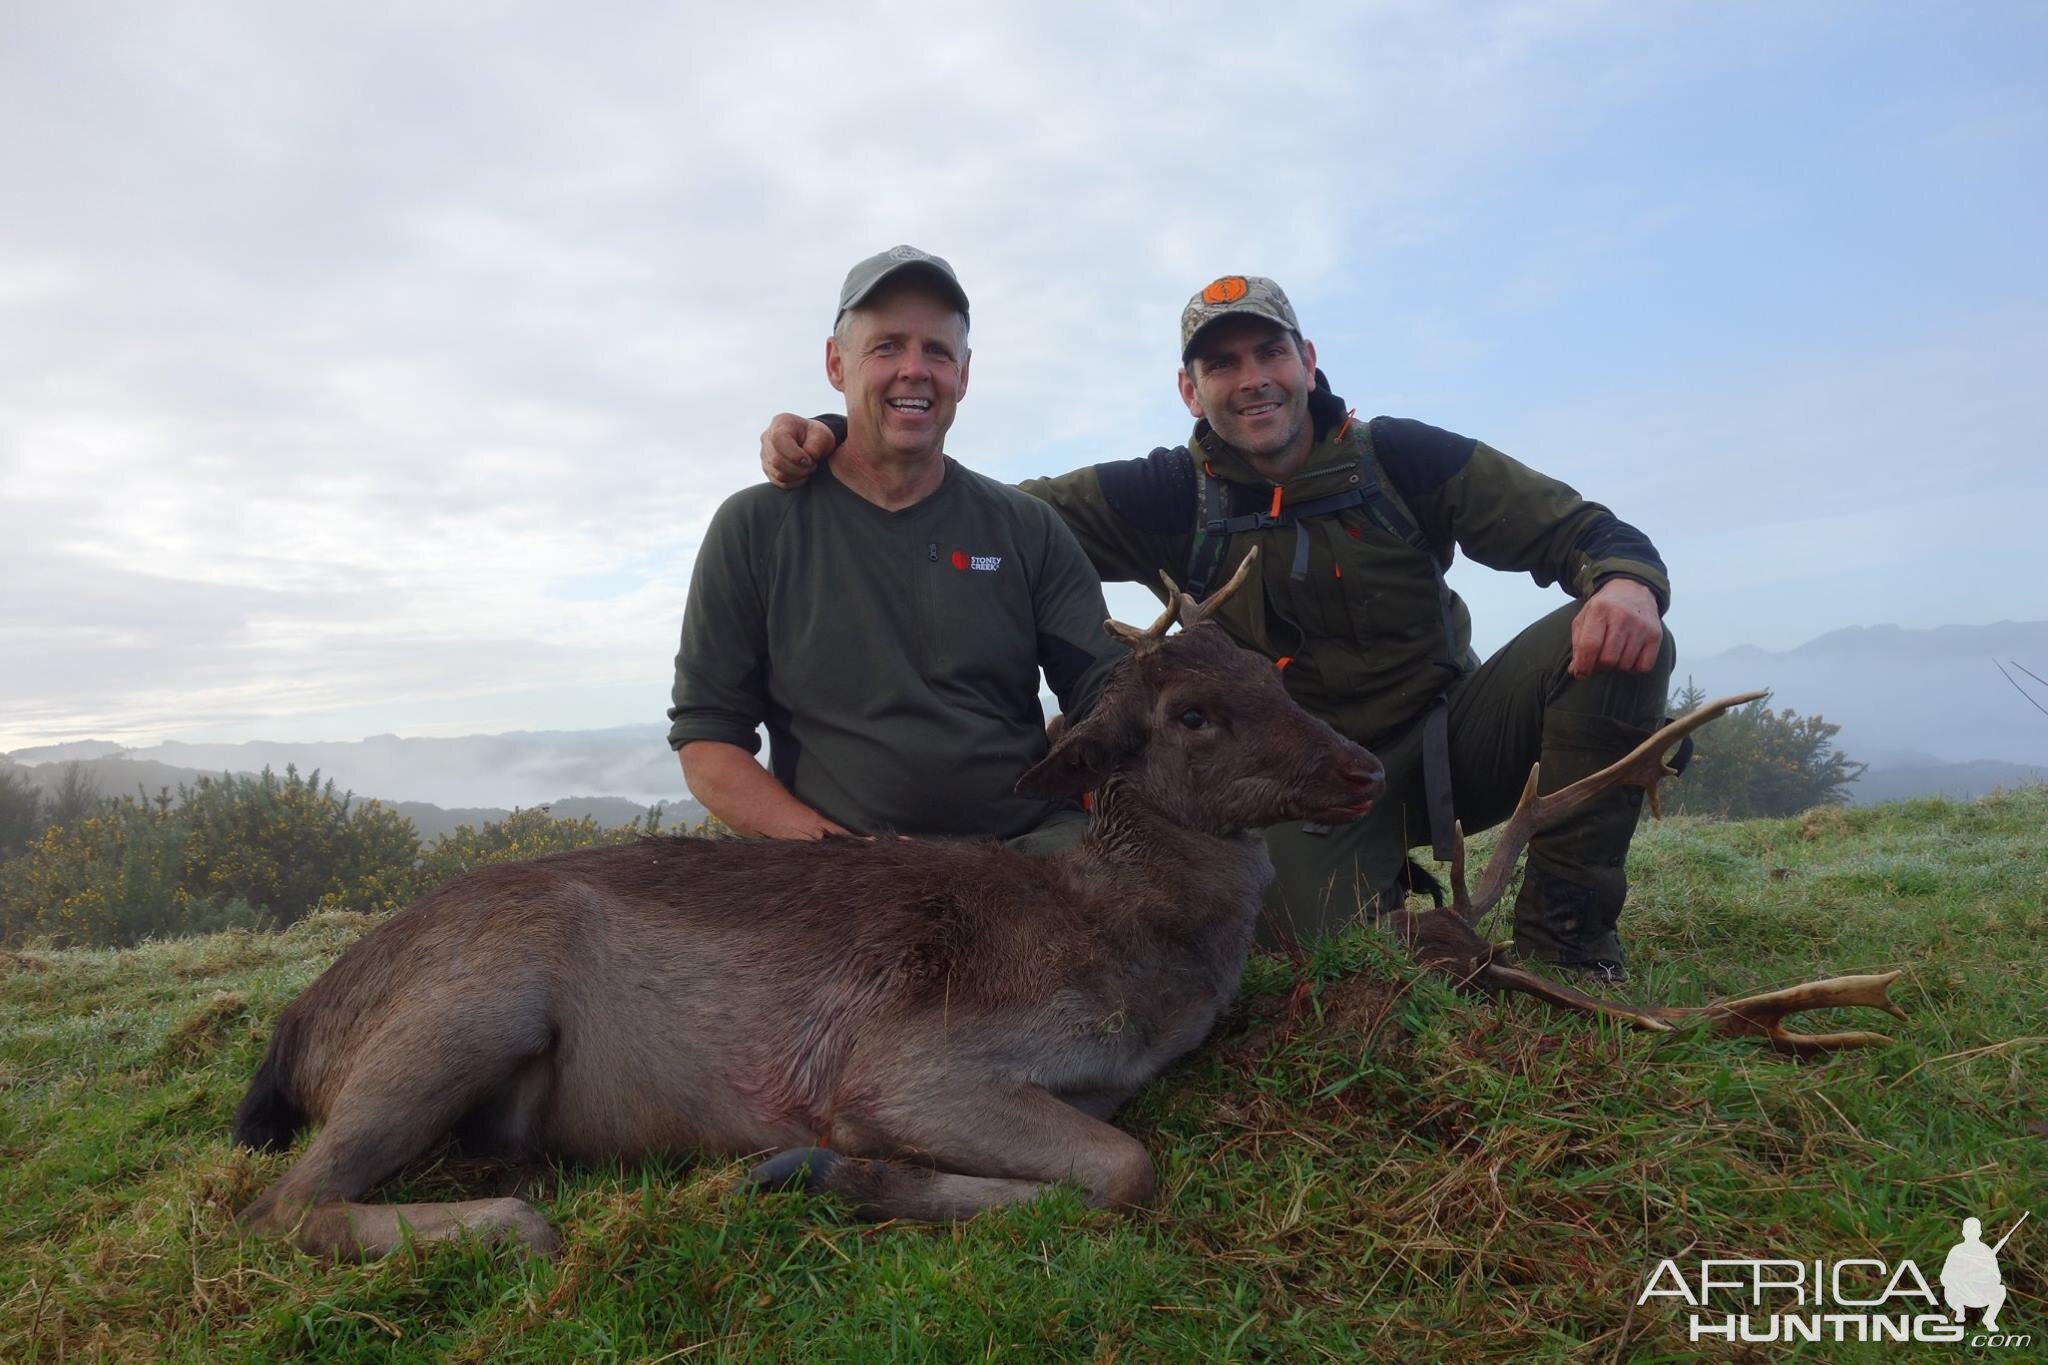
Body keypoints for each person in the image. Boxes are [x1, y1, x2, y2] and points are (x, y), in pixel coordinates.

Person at [759, 275, 1675, 979]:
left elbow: (1585, 533)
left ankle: (1570, 944)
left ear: (1308, 360)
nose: (1252, 381)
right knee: (1281, 948)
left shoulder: (1403, 457)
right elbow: (981, 512)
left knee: (1619, 641)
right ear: (1188, 389)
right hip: (1293, 784)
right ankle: (1385, 907)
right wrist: (848, 438)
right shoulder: (1165, 493)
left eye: (1267, 354)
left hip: (1448, 744)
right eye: (1222, 365)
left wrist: (1627, 582)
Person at [668, 246, 1119, 851]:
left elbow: (1107, 694)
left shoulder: (1027, 529)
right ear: (836, 364)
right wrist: (841, 853)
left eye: (937, 350)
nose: (915, 369)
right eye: (886, 346)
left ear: (963, 372)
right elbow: (707, 742)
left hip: (1027, 859)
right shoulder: (755, 528)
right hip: (845, 879)